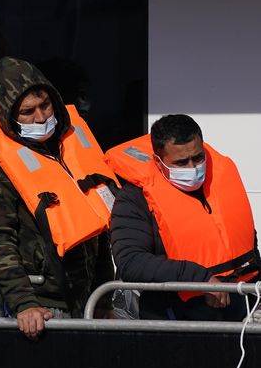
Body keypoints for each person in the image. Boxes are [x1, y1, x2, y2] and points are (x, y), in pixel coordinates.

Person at [0, 57, 116, 339]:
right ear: (9, 116)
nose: (41, 117)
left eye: (45, 105)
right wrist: (24, 302)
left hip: (88, 301)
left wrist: (104, 298)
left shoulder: (67, 147)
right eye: (27, 111)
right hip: (43, 305)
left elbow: (98, 228)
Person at [106, 114, 259, 321]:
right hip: (175, 316)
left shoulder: (219, 180)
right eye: (181, 162)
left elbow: (244, 240)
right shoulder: (134, 198)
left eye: (197, 158)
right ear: (159, 162)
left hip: (239, 307)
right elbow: (131, 261)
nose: (192, 168)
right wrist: (201, 279)